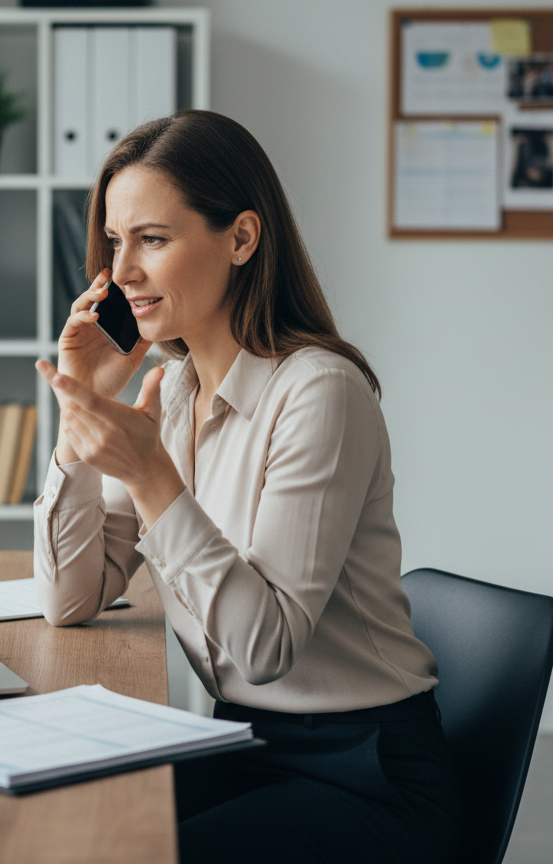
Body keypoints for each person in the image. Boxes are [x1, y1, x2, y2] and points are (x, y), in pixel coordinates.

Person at [32, 110, 462, 864]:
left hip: (365, 774)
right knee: (64, 829)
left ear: (241, 238)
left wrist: (150, 474)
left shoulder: (320, 393)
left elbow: (265, 647)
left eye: (152, 239)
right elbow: (71, 598)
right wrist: (80, 414)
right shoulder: (167, 394)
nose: (121, 271)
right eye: (114, 242)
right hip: (243, 743)